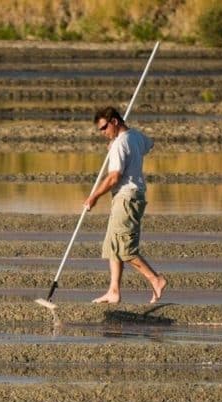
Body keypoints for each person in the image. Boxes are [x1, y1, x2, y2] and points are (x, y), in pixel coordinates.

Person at [85, 106, 167, 304]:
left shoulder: (120, 144)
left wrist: (94, 196)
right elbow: (150, 144)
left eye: (104, 128)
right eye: (100, 130)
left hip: (126, 197)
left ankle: (155, 279)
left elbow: (114, 177)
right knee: (114, 245)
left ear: (114, 121)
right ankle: (114, 291)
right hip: (130, 195)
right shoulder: (135, 137)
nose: (103, 133)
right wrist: (121, 146)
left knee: (125, 249)